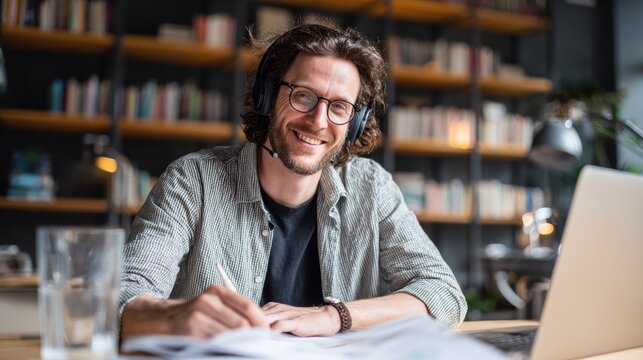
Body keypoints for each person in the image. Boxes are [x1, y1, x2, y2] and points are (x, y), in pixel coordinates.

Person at [119, 20, 467, 340]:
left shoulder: (372, 188)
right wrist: (176, 315)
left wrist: (335, 316)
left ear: (354, 123)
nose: (318, 122)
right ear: (268, 96)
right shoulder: (192, 180)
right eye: (303, 95)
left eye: (339, 107)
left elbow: (443, 292)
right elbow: (124, 294)